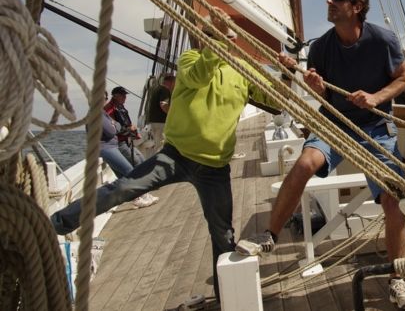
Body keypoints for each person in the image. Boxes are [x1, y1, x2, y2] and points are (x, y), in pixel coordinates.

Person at [50, 16, 278, 301]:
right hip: (175, 155)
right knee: (121, 188)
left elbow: (276, 100)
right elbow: (199, 76)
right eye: (207, 35)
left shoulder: (244, 71)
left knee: (223, 234)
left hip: (214, 166)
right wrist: (216, 44)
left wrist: (288, 73)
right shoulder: (190, 59)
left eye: (214, 35)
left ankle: (226, 299)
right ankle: (54, 226)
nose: (209, 39)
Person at [237, 0, 405, 309]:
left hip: (375, 130)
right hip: (334, 124)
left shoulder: (382, 40)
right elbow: (319, 93)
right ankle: (269, 236)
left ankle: (398, 280)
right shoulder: (321, 47)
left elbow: (404, 77)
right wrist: (314, 84)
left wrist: (377, 98)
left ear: (357, 6)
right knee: (305, 163)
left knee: (394, 202)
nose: (329, 2)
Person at [98, 91, 159, 208]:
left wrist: (114, 125)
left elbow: (117, 126)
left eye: (104, 98)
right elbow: (112, 130)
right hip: (107, 148)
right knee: (128, 171)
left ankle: (139, 195)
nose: (103, 100)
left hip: (113, 146)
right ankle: (139, 196)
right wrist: (114, 125)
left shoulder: (103, 112)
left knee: (123, 175)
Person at [104, 86, 145, 166]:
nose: (125, 97)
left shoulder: (120, 107)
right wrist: (130, 129)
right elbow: (112, 129)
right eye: (122, 95)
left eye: (125, 95)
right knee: (137, 164)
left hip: (127, 141)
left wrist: (134, 132)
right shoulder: (109, 110)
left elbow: (127, 123)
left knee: (142, 160)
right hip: (118, 143)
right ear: (115, 96)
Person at [142, 74, 176, 158]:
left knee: (157, 144)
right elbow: (163, 104)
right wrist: (172, 115)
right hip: (161, 122)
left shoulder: (156, 89)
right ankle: (157, 165)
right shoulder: (165, 90)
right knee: (160, 146)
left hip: (154, 122)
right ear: (171, 82)